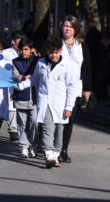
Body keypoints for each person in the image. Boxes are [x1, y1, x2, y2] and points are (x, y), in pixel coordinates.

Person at [16, 35, 80, 169]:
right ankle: (48, 154)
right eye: (51, 52)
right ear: (47, 51)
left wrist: (69, 107)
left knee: (59, 131)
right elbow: (34, 80)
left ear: (61, 51)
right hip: (45, 103)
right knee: (47, 129)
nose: (53, 55)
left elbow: (72, 88)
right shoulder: (40, 63)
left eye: (56, 52)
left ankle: (56, 154)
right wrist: (21, 86)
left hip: (61, 104)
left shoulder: (67, 65)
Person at [58, 15, 92, 163]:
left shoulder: (81, 45)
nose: (67, 29)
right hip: (57, 87)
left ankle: (64, 149)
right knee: (55, 118)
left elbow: (87, 68)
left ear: (76, 29)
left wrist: (87, 90)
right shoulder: (56, 43)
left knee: (69, 119)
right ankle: (49, 146)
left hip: (75, 88)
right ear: (61, 27)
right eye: (66, 26)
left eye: (71, 26)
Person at [11, 37, 39, 158]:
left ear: (31, 49)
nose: (24, 52)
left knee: (34, 122)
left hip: (35, 98)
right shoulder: (15, 61)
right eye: (21, 49)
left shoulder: (37, 61)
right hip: (21, 96)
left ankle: (33, 145)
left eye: (26, 49)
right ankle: (23, 146)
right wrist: (24, 77)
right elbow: (14, 77)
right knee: (21, 123)